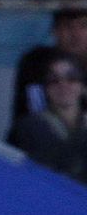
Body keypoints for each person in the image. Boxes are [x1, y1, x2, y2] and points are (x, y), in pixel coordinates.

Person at [10, 4, 87, 140]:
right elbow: (33, 114)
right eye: (67, 26)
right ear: (55, 30)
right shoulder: (36, 62)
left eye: (83, 26)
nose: (75, 34)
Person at [10, 50, 87, 181]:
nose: (63, 85)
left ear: (83, 86)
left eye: (71, 78)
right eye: (54, 80)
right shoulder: (30, 127)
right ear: (44, 88)